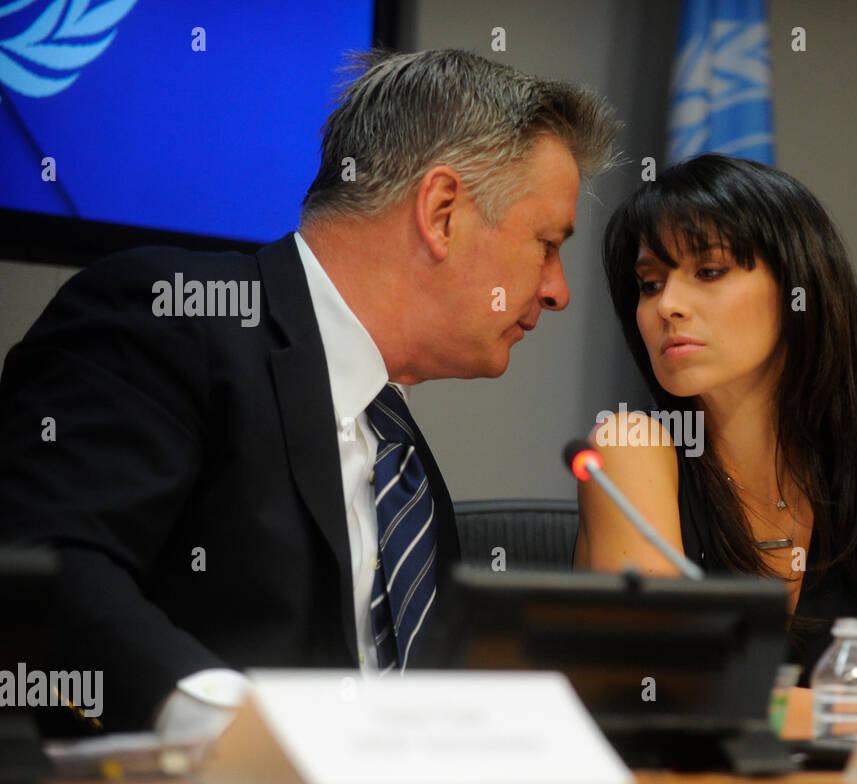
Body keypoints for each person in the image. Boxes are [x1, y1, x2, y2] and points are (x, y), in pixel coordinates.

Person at [0, 49, 620, 735]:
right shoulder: (177, 314)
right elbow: (43, 562)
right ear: (442, 213)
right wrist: (240, 735)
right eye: (547, 244)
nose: (558, 290)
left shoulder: (408, 475)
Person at [575, 154, 857, 685]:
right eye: (650, 283)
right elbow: (671, 686)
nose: (668, 305)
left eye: (709, 271)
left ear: (800, 287)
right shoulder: (628, 446)